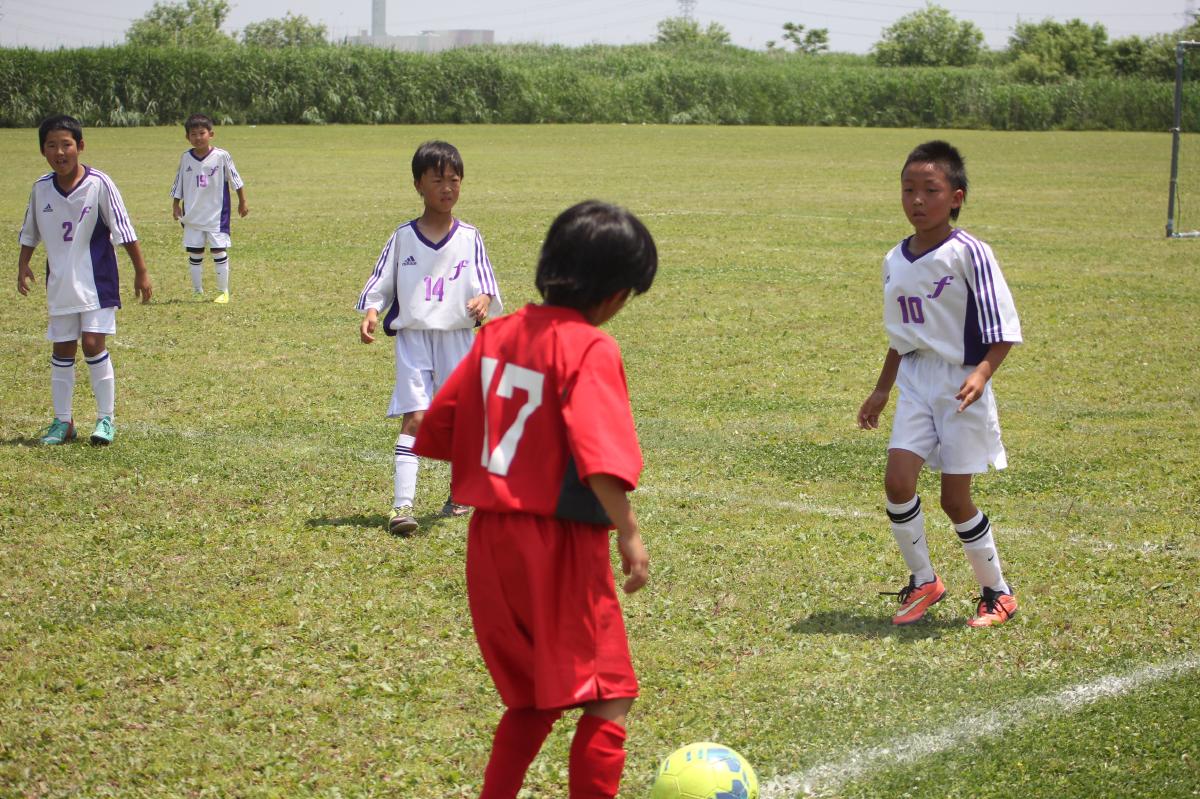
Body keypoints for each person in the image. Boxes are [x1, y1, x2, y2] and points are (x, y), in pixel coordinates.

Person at [412, 200, 656, 799]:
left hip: (489, 542)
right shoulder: (590, 347)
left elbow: (438, 427)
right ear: (615, 295)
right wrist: (628, 532)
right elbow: (601, 457)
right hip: (557, 544)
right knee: (610, 693)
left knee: (532, 700)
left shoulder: (496, 334)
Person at [857, 140, 1023, 629]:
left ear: (956, 197)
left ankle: (997, 592)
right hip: (915, 380)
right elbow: (902, 336)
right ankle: (924, 580)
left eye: (930, 190)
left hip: (960, 383)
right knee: (897, 481)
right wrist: (882, 389)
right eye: (908, 189)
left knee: (955, 500)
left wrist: (982, 373)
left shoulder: (970, 253)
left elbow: (1003, 329)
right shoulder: (894, 259)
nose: (917, 200)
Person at [356, 140, 502, 535]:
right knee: (417, 417)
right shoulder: (403, 237)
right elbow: (381, 280)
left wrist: (483, 299)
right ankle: (401, 506)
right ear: (418, 185)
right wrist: (372, 310)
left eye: (454, 180)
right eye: (437, 180)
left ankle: (460, 493)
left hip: (457, 338)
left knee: (460, 420)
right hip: (415, 338)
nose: (447, 188)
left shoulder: (470, 236)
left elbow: (487, 284)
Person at [17, 114, 153, 446]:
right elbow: (30, 231)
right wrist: (23, 264)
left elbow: (124, 228)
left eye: (66, 144)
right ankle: (63, 422)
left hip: (97, 281)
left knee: (93, 344)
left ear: (80, 146)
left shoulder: (98, 184)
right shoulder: (40, 188)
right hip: (60, 283)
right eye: (51, 145)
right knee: (62, 348)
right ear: (43, 150)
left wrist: (141, 270)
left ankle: (105, 419)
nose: (59, 152)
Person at [170, 112, 248, 304]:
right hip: (193, 215)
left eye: (202, 133)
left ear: (211, 134)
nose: (198, 138)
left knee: (218, 251)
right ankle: (197, 291)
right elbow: (179, 182)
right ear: (187, 137)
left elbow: (236, 180)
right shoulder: (186, 158)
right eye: (193, 134)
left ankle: (223, 292)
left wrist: (242, 201)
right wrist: (175, 205)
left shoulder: (221, 156)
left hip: (216, 215)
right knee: (195, 252)